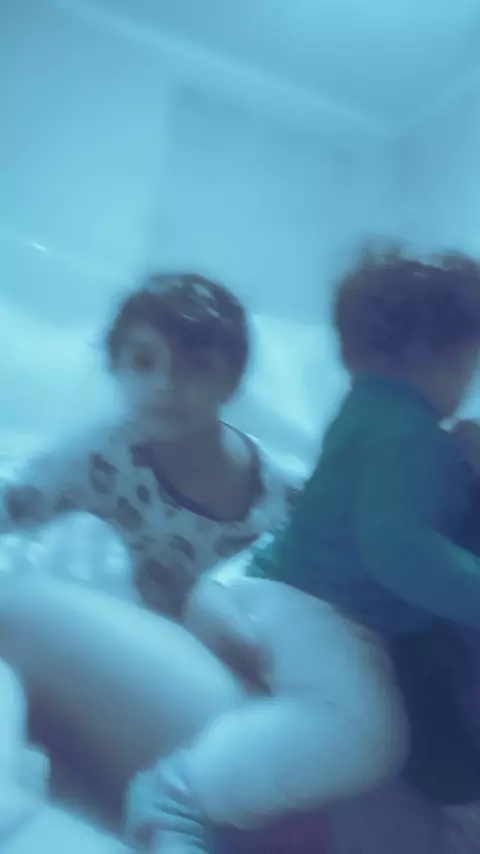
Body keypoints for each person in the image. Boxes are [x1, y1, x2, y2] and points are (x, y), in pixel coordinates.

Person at [0, 272, 298, 620]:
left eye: (198, 367)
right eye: (144, 362)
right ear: (115, 366)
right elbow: (14, 499)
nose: (166, 384)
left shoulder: (287, 495)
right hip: (145, 643)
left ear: (233, 382)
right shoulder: (101, 460)